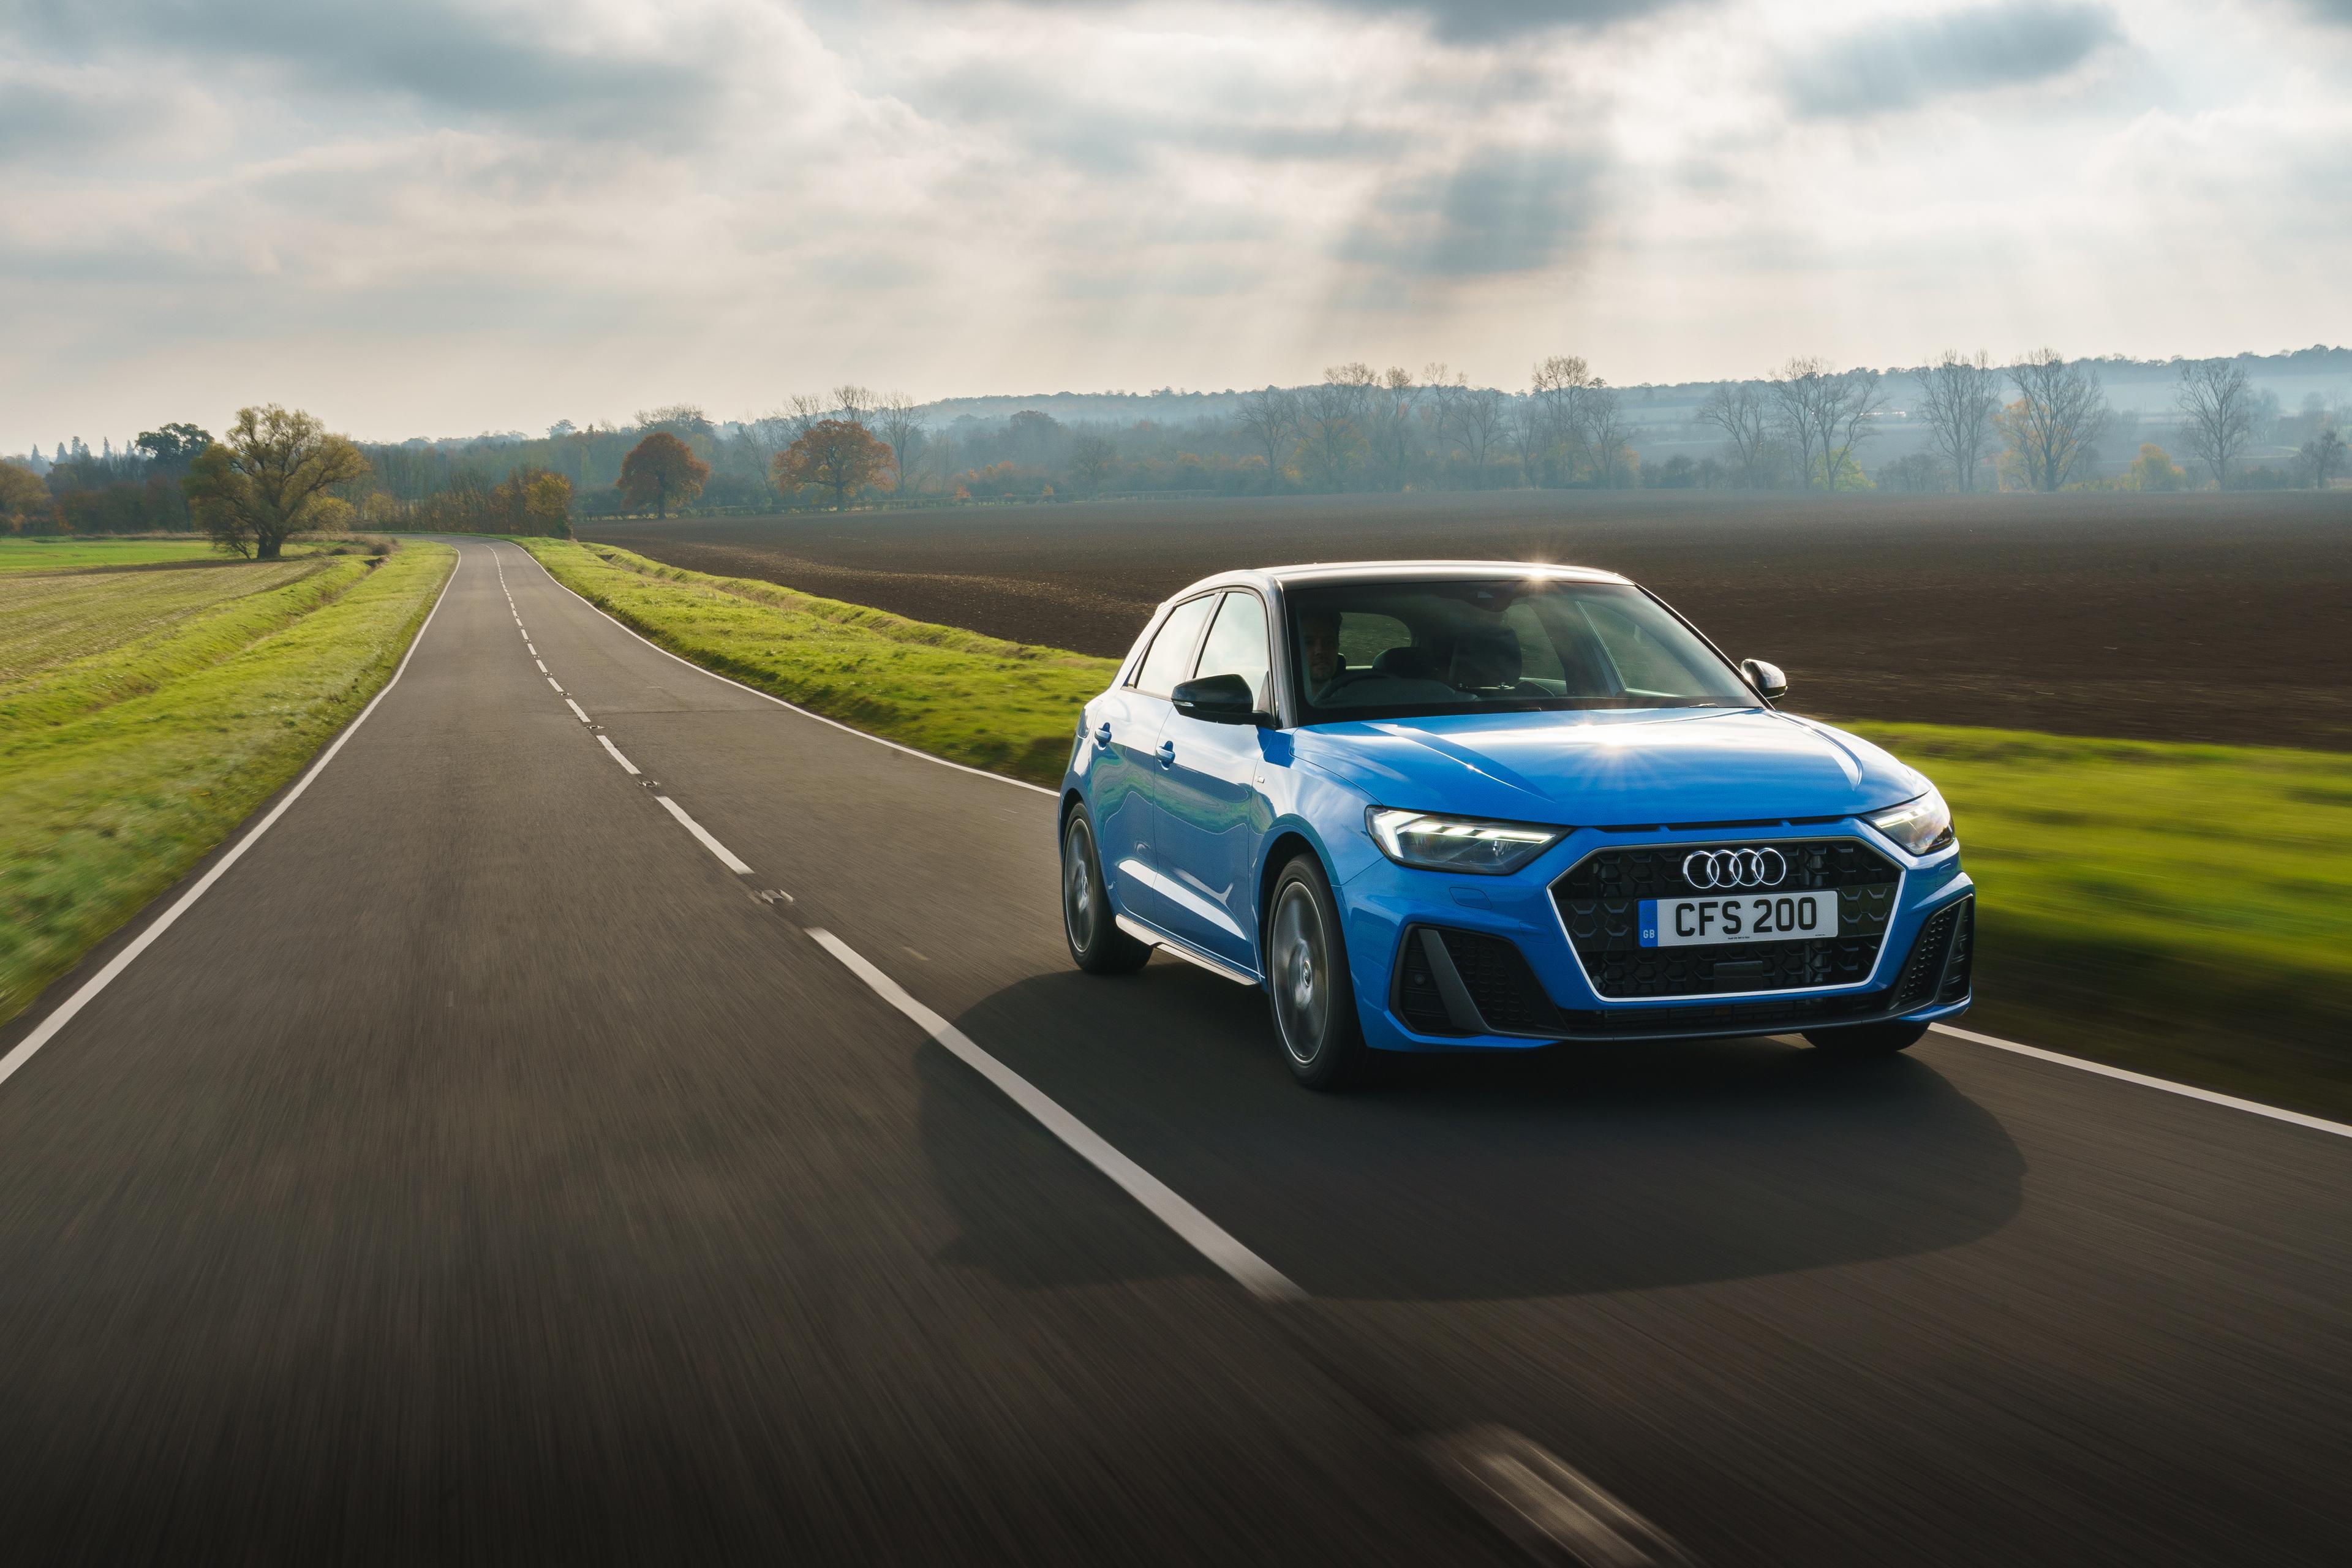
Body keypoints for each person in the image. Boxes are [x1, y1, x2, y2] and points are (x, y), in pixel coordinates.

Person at [1298, 610, 1344, 691]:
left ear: (1338, 646)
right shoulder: (1278, 698)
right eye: (1309, 643)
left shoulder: (1356, 697)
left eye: (1329, 642)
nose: (1320, 651)